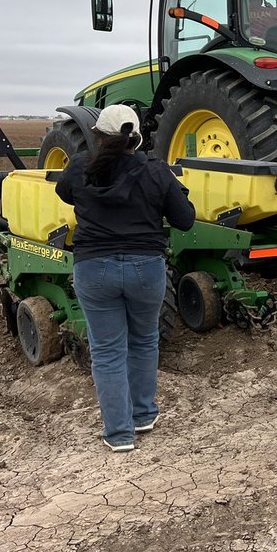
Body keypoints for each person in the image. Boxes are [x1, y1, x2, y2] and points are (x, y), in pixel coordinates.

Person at [56, 105, 196, 453]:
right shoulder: (156, 172)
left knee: (106, 351)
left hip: (94, 269)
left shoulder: (79, 168)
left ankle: (119, 434)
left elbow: (64, 193)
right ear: (137, 137)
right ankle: (144, 415)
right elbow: (185, 220)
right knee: (145, 340)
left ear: (98, 135)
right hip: (145, 269)